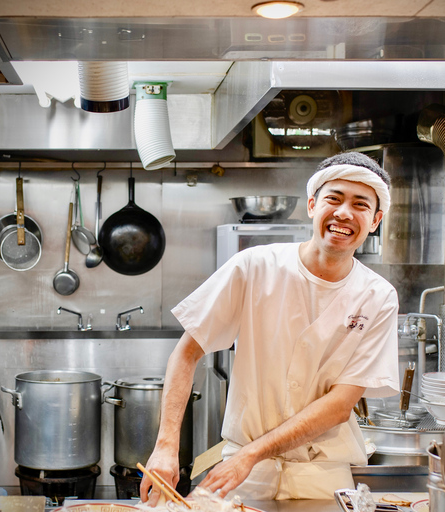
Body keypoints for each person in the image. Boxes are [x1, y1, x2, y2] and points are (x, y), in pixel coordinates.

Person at [140, 151, 400, 504]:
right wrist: (166, 447)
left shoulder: (378, 297)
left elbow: (340, 404)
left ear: (375, 220)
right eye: (333, 199)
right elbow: (187, 353)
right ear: (312, 205)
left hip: (321, 475)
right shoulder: (255, 266)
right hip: (243, 475)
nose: (343, 213)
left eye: (360, 205)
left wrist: (252, 454)